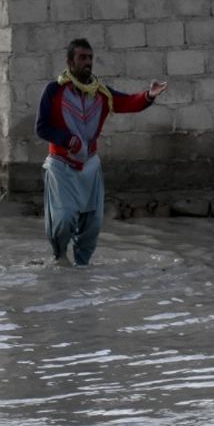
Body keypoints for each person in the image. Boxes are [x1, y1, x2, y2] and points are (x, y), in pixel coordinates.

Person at [35, 38, 168, 266]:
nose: (88, 63)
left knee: (93, 223)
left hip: (89, 166)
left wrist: (149, 95)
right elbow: (42, 127)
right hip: (61, 165)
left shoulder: (101, 93)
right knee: (64, 217)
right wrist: (67, 139)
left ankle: (82, 269)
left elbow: (127, 103)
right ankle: (59, 258)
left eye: (90, 58)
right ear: (70, 62)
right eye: (82, 58)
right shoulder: (54, 90)